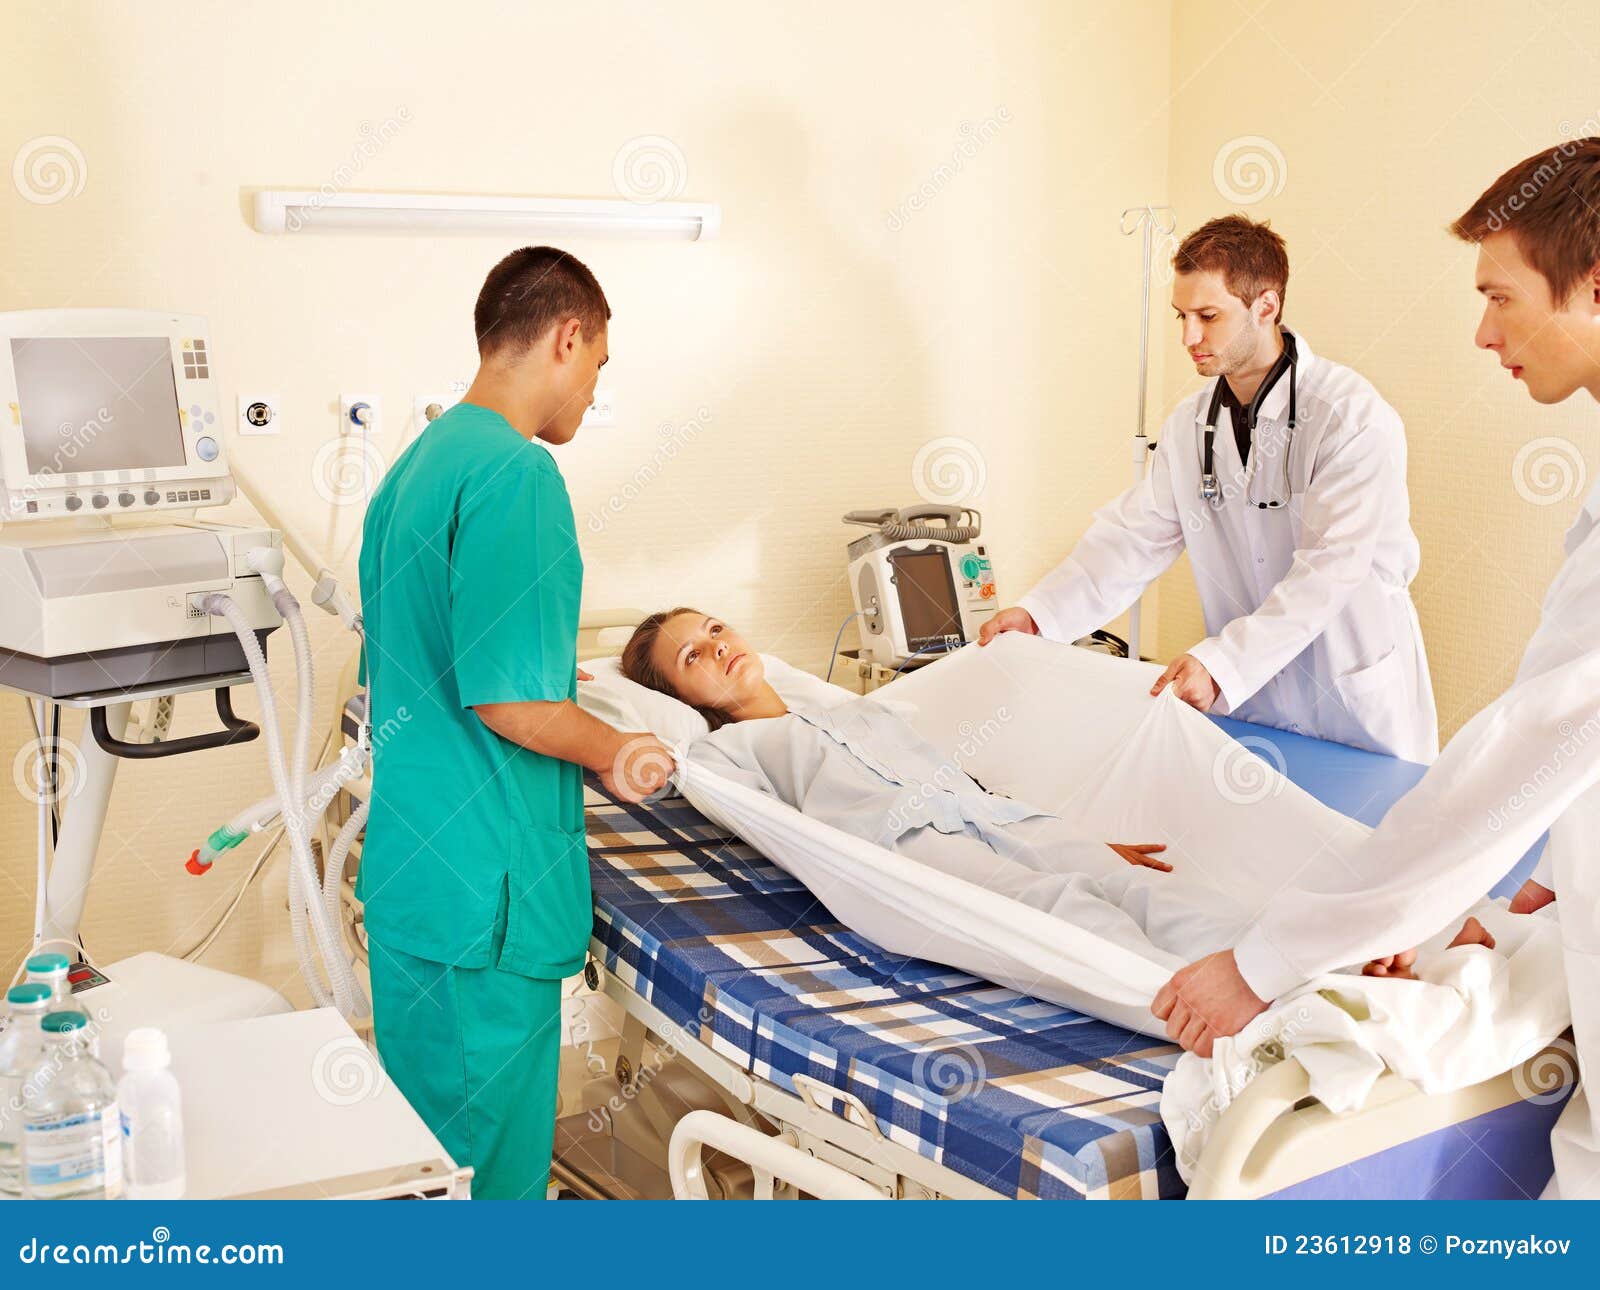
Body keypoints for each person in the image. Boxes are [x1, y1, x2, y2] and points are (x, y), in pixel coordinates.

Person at [1152, 139, 1600, 1200]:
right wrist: (1532, 888)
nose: (1483, 331)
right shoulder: (1189, 427)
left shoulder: (1349, 412)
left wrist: (1265, 964)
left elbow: (1528, 745)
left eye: (1499, 297)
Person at [356, 247, 674, 1199]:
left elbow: (424, 661)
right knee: (489, 1187)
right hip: (483, 902)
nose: (594, 392)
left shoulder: (414, 470)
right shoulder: (516, 474)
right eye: (599, 366)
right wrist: (618, 748)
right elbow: (512, 703)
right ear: (568, 337)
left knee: (429, 1171)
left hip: (418, 885)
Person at [980, 215, 1438, 762]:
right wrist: (1041, 615)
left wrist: (1224, 663)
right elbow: (1134, 538)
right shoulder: (1190, 425)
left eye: (1208, 316)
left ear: (1265, 306)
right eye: (1182, 316)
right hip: (1253, 703)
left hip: (1351, 695)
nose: (1188, 337)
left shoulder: (1349, 416)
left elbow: (1332, 566)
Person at [620, 608, 1253, 965]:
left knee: (1130, 881)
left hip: (988, 812)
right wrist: (632, 736)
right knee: (1052, 904)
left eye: (715, 630)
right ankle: (1192, 996)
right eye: (691, 657)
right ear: (680, 698)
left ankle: (1272, 961)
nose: (717, 648)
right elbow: (705, 793)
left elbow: (952, 773)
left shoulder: (853, 708)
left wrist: (1071, 840)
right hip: (907, 843)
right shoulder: (725, 752)